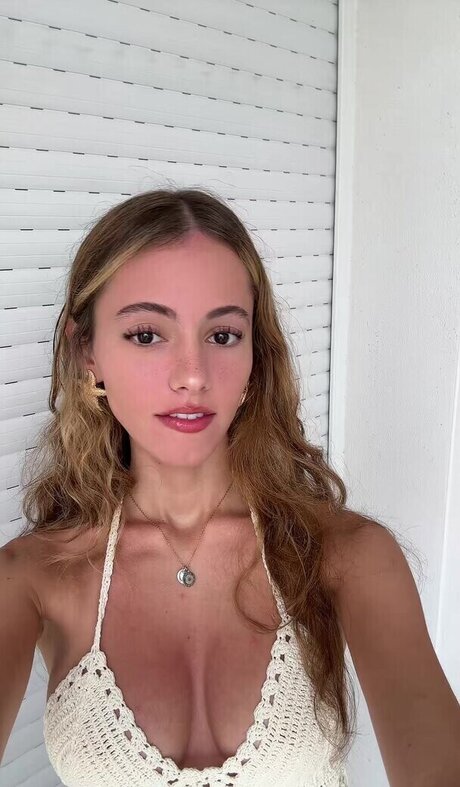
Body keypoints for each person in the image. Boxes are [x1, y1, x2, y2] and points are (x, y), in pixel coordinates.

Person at [2, 189, 457, 787]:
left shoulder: (347, 558)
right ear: (86, 351)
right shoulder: (33, 577)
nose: (193, 375)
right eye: (147, 334)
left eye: (222, 336)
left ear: (254, 357)